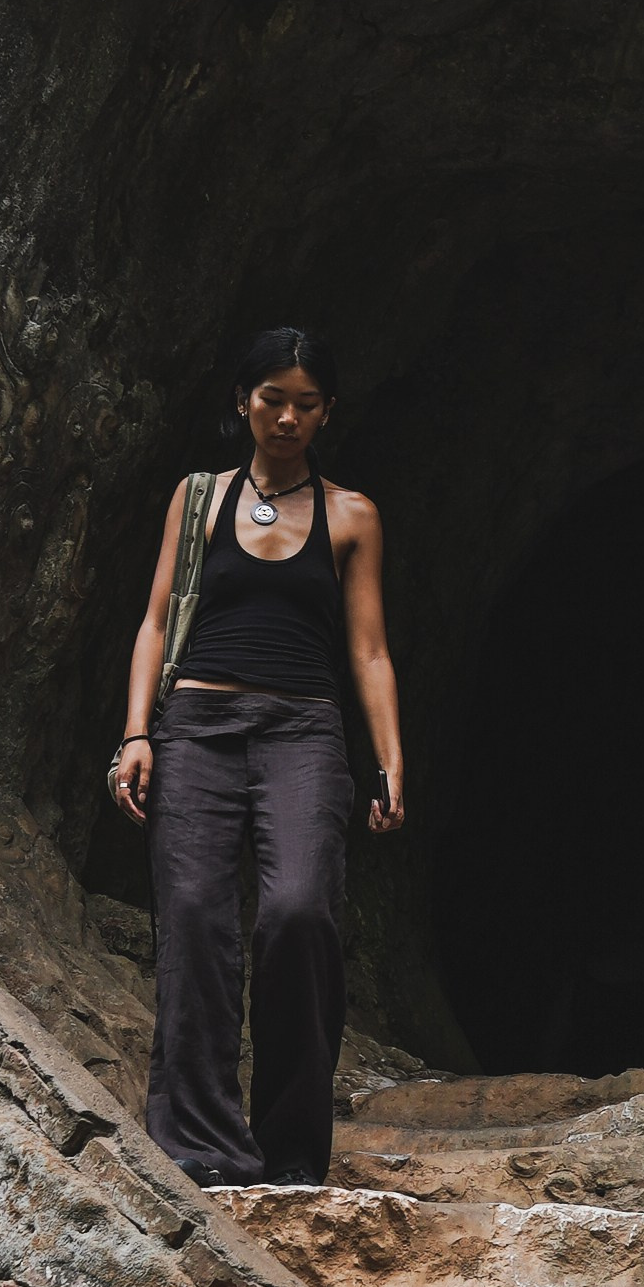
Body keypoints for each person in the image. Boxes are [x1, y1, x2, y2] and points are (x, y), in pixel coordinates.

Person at [109, 327, 406, 1188]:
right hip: (195, 725)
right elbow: (157, 619)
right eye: (271, 398)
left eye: (305, 403)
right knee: (196, 916)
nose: (286, 416)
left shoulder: (352, 514)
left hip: (302, 731)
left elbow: (371, 651)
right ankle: (200, 1145)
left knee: (300, 912)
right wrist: (136, 732)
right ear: (243, 401)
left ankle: (287, 1152)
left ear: (327, 412)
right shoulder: (198, 499)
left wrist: (389, 760)